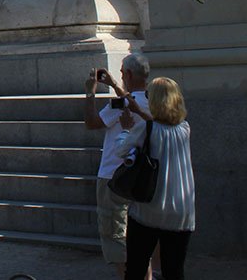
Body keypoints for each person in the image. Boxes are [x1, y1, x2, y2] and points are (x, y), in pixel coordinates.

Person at [117, 77, 196, 280]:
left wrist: (125, 129)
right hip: (181, 210)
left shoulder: (145, 129)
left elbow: (121, 151)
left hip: (149, 209)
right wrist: (140, 112)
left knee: (136, 267)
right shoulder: (184, 129)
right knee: (174, 271)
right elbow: (157, 125)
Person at [84, 54, 151, 278]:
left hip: (114, 178)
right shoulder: (151, 103)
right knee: (141, 244)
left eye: (122, 73)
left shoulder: (121, 105)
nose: (120, 76)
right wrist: (113, 84)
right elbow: (133, 102)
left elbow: (92, 123)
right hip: (143, 179)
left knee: (118, 244)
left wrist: (90, 93)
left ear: (129, 75)